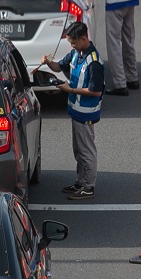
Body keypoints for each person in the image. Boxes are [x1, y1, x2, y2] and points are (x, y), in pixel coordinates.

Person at [41, 21, 104, 200]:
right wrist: (48, 62)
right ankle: (81, 182)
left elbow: (95, 90)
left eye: (73, 42)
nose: (72, 46)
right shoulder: (77, 53)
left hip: (86, 112)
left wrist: (70, 90)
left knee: (86, 150)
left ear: (84, 39)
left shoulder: (94, 63)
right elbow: (59, 66)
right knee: (78, 149)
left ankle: (88, 186)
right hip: (76, 110)